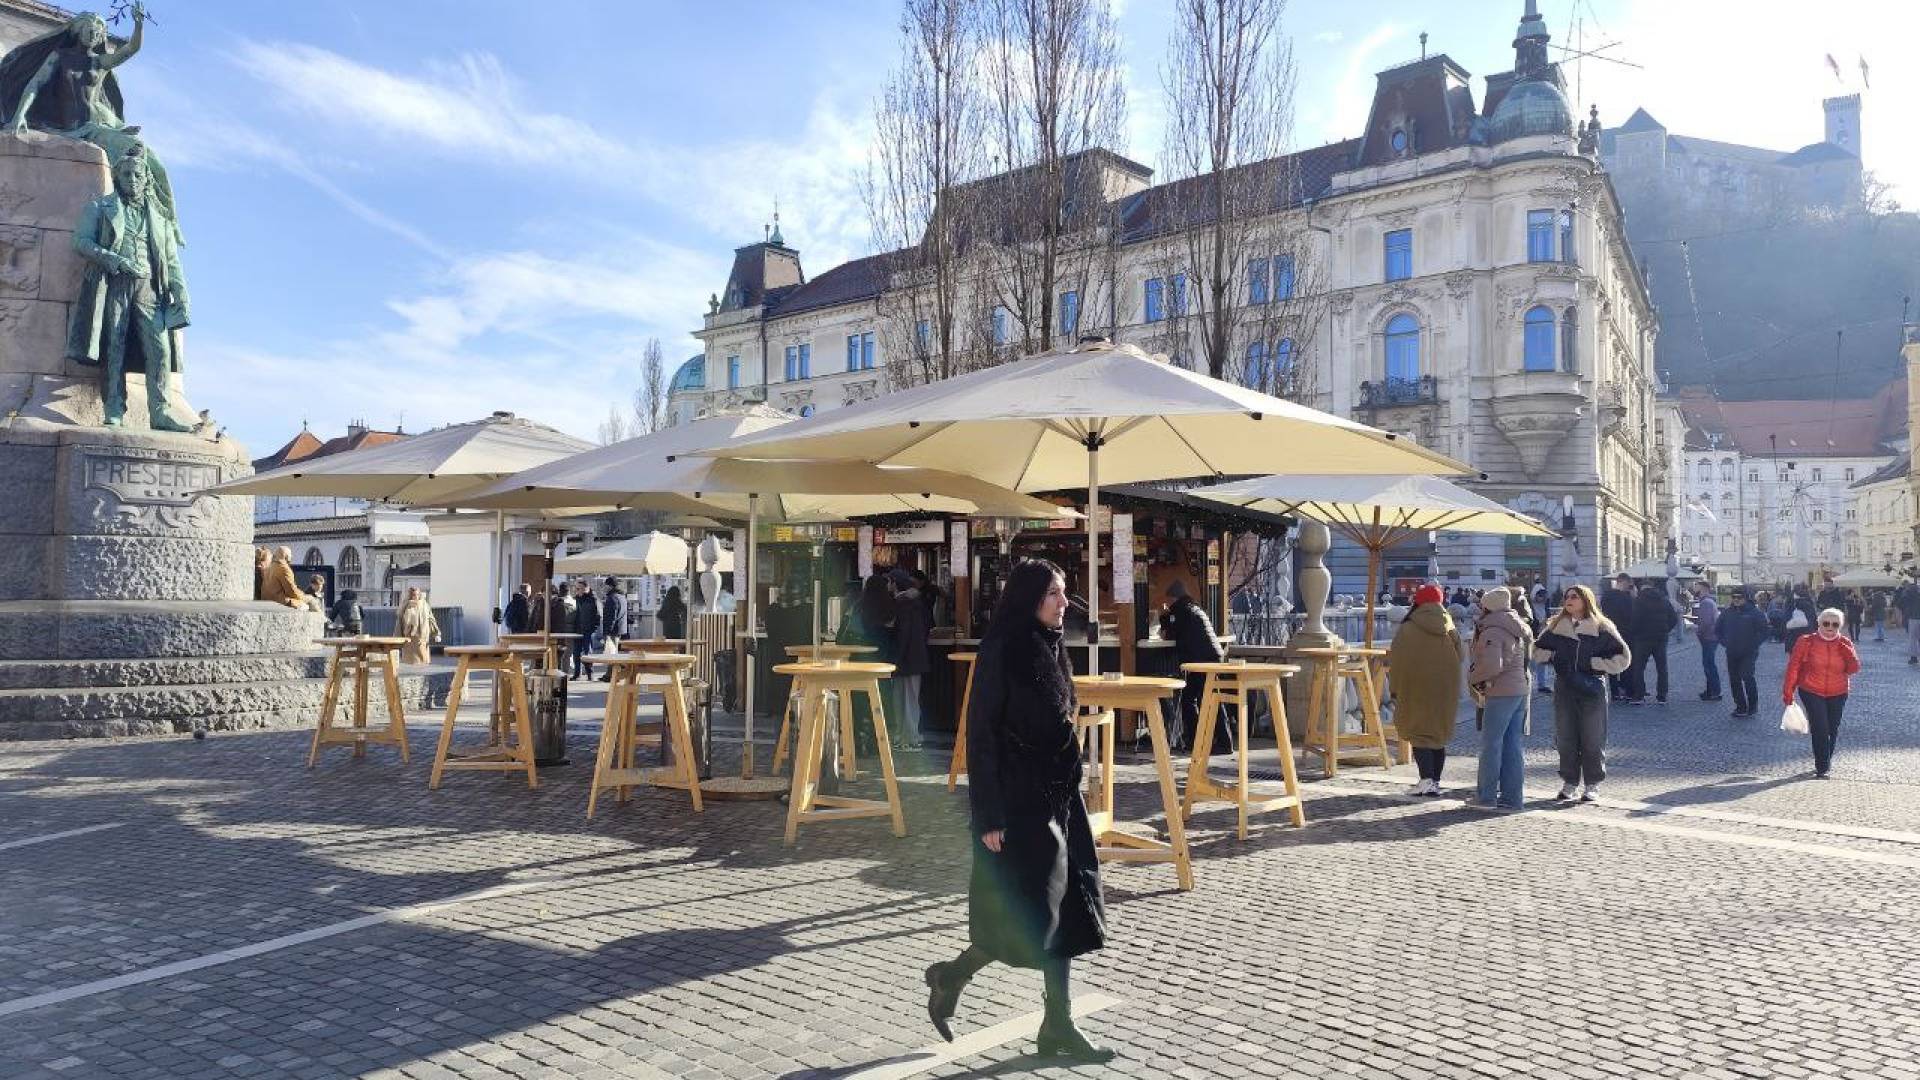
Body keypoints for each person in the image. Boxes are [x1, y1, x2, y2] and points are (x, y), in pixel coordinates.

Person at [924, 558, 1111, 1063]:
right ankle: (953, 974)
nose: (1064, 602)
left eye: (1063, 592)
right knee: (1035, 915)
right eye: (1054, 593)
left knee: (1067, 910)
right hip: (1020, 802)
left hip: (1058, 799)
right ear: (1031, 597)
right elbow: (980, 736)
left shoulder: (1050, 645)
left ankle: (1058, 1025)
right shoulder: (1003, 648)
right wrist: (987, 815)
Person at [1532, 585, 1630, 802]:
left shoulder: (1602, 627)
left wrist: (1595, 663)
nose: (1569, 600)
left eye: (1574, 597)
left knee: (1593, 738)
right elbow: (1536, 650)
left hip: (1592, 687)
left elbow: (1623, 658)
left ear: (1586, 600)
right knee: (1566, 738)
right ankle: (1570, 782)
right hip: (1564, 688)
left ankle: (1592, 784)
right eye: (1567, 597)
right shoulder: (1556, 626)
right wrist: (1553, 657)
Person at [1388, 584, 1465, 796]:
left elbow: (1398, 660)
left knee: (1419, 733)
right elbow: (1462, 656)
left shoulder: (1408, 627)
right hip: (1445, 688)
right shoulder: (1448, 625)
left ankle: (1426, 779)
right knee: (1438, 735)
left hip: (1415, 687)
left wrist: (1394, 689)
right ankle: (1435, 781)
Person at [1467, 587, 1533, 810]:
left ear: (1487, 607)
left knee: (1491, 745)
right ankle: (1513, 798)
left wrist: (1473, 678)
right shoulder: (1514, 624)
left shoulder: (1492, 630)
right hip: (1519, 689)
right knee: (1512, 745)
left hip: (1500, 690)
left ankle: (1486, 797)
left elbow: (1492, 665)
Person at [1783, 607, 1860, 779]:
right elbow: (1793, 667)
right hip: (1811, 689)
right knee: (1820, 727)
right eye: (1826, 623)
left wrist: (1848, 654)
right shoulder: (1805, 641)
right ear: (1819, 623)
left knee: (1833, 728)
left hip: (1838, 691)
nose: (1830, 627)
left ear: (1840, 625)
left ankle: (1826, 759)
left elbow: (1853, 669)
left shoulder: (1845, 643)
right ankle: (1822, 766)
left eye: (1835, 624)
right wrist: (1788, 691)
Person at [1159, 580, 1225, 753]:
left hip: (1200, 659)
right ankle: (1220, 741)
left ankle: (1198, 740)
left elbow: (1168, 635)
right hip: (1210, 656)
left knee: (1191, 700)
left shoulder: (1180, 610)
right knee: (1207, 698)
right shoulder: (1193, 607)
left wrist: (1164, 618)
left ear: (1173, 598)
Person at [889, 567, 932, 750]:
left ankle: (907, 738)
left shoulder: (902, 604)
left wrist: (896, 658)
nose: (888, 586)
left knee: (901, 699)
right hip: (916, 657)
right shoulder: (915, 603)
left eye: (890, 582)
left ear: (895, 583)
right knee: (910, 699)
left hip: (905, 658)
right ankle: (909, 737)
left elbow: (903, 634)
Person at [1715, 587, 1769, 718]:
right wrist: (1724, 642)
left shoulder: (1755, 613)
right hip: (1732, 651)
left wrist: (1754, 644)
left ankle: (1752, 706)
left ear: (1745, 598)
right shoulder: (1727, 613)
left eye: (1739, 597)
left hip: (1749, 652)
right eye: (1734, 597)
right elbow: (1718, 629)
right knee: (1734, 680)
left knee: (1747, 676)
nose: (1736, 600)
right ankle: (1740, 707)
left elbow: (1764, 631)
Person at [1624, 585, 1677, 705]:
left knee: (1639, 668)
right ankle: (1662, 696)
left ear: (1642, 590)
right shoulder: (1664, 599)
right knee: (1662, 668)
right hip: (1661, 638)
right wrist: (1665, 630)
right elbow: (1673, 618)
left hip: (1643, 639)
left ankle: (1639, 695)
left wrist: (1633, 633)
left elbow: (1635, 620)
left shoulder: (1639, 600)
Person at [1598, 574, 1636, 701]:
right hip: (1625, 634)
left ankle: (1615, 691)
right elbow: (1630, 615)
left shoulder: (1606, 596)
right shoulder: (1626, 598)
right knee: (1625, 662)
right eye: (1628, 584)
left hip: (1610, 633)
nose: (1628, 587)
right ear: (1623, 582)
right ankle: (1624, 688)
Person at [1692, 585, 1722, 702]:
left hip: (1709, 637)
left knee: (1709, 665)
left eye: (1697, 587)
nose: (1694, 589)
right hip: (1711, 637)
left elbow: (1706, 622)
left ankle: (1714, 692)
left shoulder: (1706, 603)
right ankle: (1711, 691)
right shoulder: (1709, 602)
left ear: (1703, 589)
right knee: (1709, 664)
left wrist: (1699, 632)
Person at [398, 587, 439, 664]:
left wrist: (436, 633)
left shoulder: (424, 605)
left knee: (423, 659)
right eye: (413, 595)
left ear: (419, 594)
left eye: (416, 594)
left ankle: (422, 673)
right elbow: (399, 622)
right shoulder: (405, 605)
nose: (415, 597)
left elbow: (430, 619)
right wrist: (397, 638)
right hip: (410, 637)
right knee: (410, 661)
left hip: (422, 637)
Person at [571, 581, 600, 678]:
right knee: (576, 652)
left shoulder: (593, 599)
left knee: (587, 653)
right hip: (577, 630)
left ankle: (589, 673)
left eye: (579, 588)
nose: (576, 590)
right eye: (576, 588)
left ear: (586, 589)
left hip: (588, 630)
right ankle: (576, 673)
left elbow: (598, 616)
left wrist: (593, 629)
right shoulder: (576, 599)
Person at [600, 579, 627, 680]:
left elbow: (611, 617)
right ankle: (610, 673)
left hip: (613, 630)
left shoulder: (612, 598)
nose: (604, 587)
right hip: (620, 628)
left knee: (612, 653)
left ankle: (612, 674)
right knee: (613, 652)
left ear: (610, 586)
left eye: (605, 585)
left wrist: (607, 632)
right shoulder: (622, 596)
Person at [1782, 585, 1819, 655]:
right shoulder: (1808, 604)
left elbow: (1785, 620)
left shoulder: (1790, 604)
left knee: (1794, 659)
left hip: (1792, 636)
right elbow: (1814, 621)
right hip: (1807, 635)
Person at [1530, 586, 1553, 694]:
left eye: (1543, 597)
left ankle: (1542, 684)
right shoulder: (1529, 606)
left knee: (1543, 661)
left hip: (1543, 636)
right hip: (1531, 636)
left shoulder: (1545, 605)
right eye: (1540, 596)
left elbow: (1549, 617)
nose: (1542, 599)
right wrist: (1537, 624)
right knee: (1530, 662)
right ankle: (1527, 683)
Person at [1898, 581, 1920, 666]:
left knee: (1912, 638)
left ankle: (1913, 657)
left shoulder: (1907, 594)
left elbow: (1900, 604)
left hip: (1913, 618)